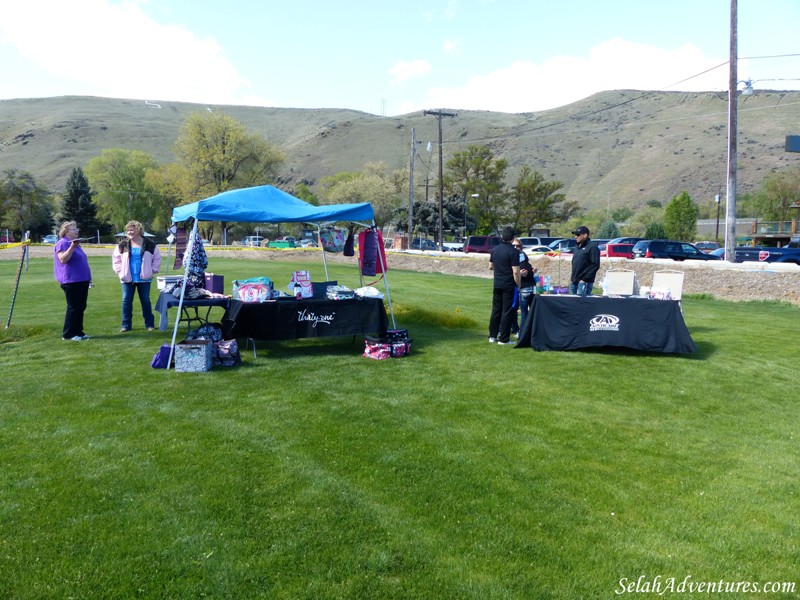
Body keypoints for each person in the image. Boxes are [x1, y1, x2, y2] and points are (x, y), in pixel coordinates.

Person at [112, 220, 162, 332]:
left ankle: (149, 325)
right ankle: (126, 325)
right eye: (128, 230)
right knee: (126, 301)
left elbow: (157, 259)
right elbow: (116, 259)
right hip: (127, 278)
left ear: (139, 231)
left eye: (132, 230)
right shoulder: (122, 244)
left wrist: (152, 270)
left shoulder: (150, 244)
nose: (129, 232)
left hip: (144, 278)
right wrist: (119, 271)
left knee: (145, 301)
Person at [53, 221, 92, 341]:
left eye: (76, 228)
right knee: (74, 307)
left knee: (81, 306)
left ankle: (78, 332)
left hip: (82, 280)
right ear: (65, 231)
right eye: (73, 229)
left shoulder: (75, 244)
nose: (76, 230)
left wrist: (89, 279)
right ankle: (68, 334)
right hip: (71, 281)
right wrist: (72, 247)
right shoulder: (63, 243)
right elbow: (63, 259)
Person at [488, 226, 521, 345]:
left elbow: (490, 266)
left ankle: (492, 335)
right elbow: (516, 271)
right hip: (508, 284)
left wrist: (500, 268)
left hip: (497, 283)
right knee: (506, 311)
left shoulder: (495, 250)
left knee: (496, 309)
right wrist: (518, 285)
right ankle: (504, 339)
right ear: (513, 238)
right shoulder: (514, 252)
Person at [513, 238, 537, 329]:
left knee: (524, 313)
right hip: (528, 288)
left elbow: (519, 271)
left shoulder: (522, 260)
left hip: (524, 289)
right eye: (514, 246)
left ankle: (522, 332)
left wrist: (532, 271)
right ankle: (522, 330)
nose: (516, 247)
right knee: (526, 312)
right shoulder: (525, 262)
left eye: (518, 246)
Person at [569, 225, 600, 296]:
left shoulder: (592, 247)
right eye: (575, 235)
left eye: (578, 235)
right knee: (572, 304)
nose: (575, 236)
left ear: (585, 235)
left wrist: (584, 279)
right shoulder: (577, 247)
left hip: (584, 282)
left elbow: (595, 265)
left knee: (582, 304)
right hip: (574, 281)